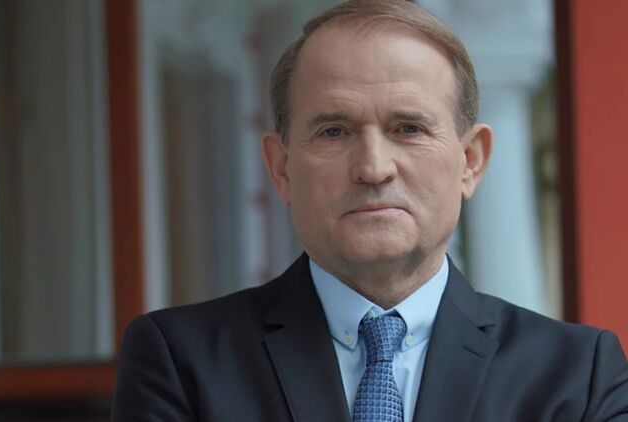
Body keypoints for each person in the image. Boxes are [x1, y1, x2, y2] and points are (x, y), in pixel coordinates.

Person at [111, 0, 628, 421]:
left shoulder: (577, 376)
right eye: (334, 131)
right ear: (281, 167)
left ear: (470, 162)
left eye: (409, 128)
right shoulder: (181, 362)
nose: (374, 167)